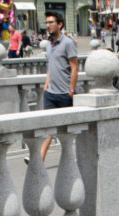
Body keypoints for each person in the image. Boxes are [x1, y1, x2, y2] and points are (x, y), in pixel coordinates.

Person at [40, 11, 78, 161]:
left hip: (64, 93)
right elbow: (51, 66)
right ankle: (39, 158)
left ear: (60, 24)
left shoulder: (68, 43)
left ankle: (71, 157)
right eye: (47, 23)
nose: (48, 25)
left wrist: (71, 90)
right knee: (48, 128)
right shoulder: (49, 44)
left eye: (51, 22)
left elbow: (74, 67)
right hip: (50, 93)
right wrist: (46, 85)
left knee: (66, 130)